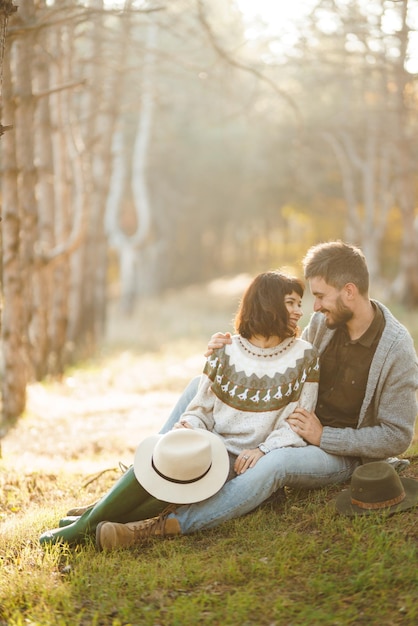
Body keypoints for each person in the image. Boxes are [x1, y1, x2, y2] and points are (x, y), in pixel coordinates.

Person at [94, 240, 418, 551]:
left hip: (334, 453)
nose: (314, 307)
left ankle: (163, 526)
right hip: (291, 427)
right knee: (198, 385)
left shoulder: (396, 350)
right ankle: (145, 479)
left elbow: (396, 436)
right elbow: (284, 357)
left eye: (320, 296)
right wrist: (227, 352)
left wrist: (324, 436)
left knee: (276, 463)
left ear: (349, 291)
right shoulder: (325, 323)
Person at [40, 270, 319, 547]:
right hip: (208, 445)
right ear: (268, 304)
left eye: (299, 303)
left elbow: (296, 422)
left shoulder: (305, 356)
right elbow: (201, 408)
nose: (299, 310)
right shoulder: (226, 350)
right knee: (163, 457)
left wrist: (263, 450)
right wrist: (188, 426)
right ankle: (88, 523)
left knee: (181, 478)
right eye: (291, 302)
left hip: (240, 462)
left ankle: (85, 525)